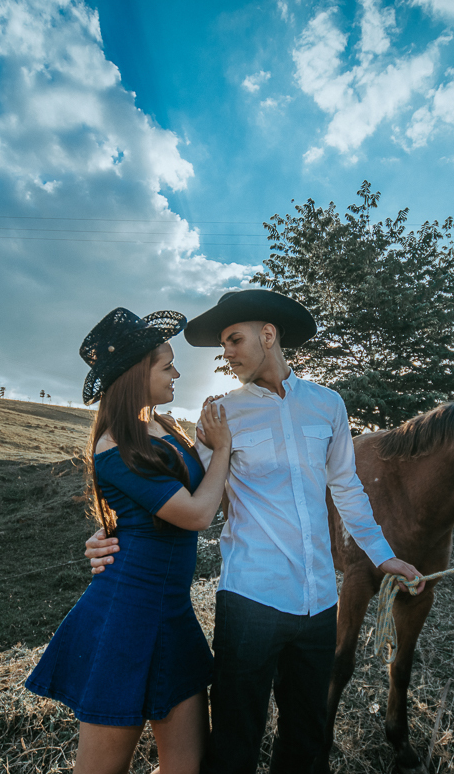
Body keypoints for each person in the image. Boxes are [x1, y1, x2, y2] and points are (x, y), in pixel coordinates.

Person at [87, 290, 424, 774]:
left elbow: (347, 487)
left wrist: (382, 554)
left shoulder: (329, 405)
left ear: (269, 335)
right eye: (223, 343)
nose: (226, 353)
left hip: (318, 602)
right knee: (234, 741)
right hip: (249, 600)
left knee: (306, 738)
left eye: (234, 339)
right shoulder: (221, 415)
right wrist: (110, 535)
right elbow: (177, 492)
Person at [25, 307, 234, 774]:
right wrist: (222, 448)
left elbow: (193, 494)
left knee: (187, 766)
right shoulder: (116, 445)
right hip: (128, 615)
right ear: (137, 374)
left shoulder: (160, 425)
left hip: (172, 613)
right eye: (167, 365)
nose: (177, 372)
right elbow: (199, 512)